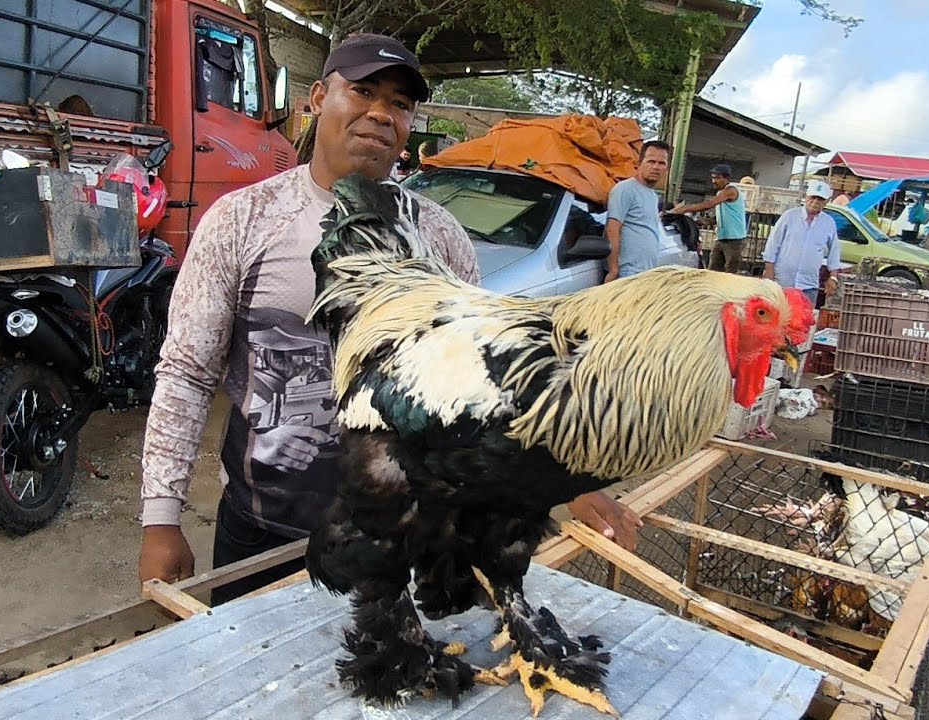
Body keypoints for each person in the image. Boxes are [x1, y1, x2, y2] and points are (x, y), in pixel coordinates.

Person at [137, 33, 641, 603]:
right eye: (363, 91)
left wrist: (560, 482)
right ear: (317, 97)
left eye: (400, 103)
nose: (381, 113)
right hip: (263, 528)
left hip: (407, 532)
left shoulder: (439, 235)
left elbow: (484, 386)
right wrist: (161, 518)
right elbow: (186, 372)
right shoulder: (243, 220)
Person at [762, 179, 840, 304]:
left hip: (808, 284)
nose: (815, 202)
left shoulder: (828, 223)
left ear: (826, 202)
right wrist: (769, 270)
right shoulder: (789, 216)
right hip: (782, 281)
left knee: (804, 320)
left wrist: (833, 277)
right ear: (806, 196)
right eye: (812, 197)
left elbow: (834, 251)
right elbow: (773, 244)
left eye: (820, 199)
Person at [604, 140, 670, 282]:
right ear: (639, 164)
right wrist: (613, 268)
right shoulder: (625, 189)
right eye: (651, 161)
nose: (656, 167)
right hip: (627, 271)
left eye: (661, 163)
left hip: (646, 271)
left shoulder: (652, 196)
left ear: (667, 169)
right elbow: (612, 228)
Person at [670, 164, 747, 272]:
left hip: (734, 239)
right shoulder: (721, 192)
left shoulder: (730, 190)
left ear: (726, 178)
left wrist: (686, 208)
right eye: (713, 178)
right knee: (713, 270)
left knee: (730, 272)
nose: (714, 181)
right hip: (721, 238)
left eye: (718, 178)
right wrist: (705, 221)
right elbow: (720, 216)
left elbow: (709, 204)